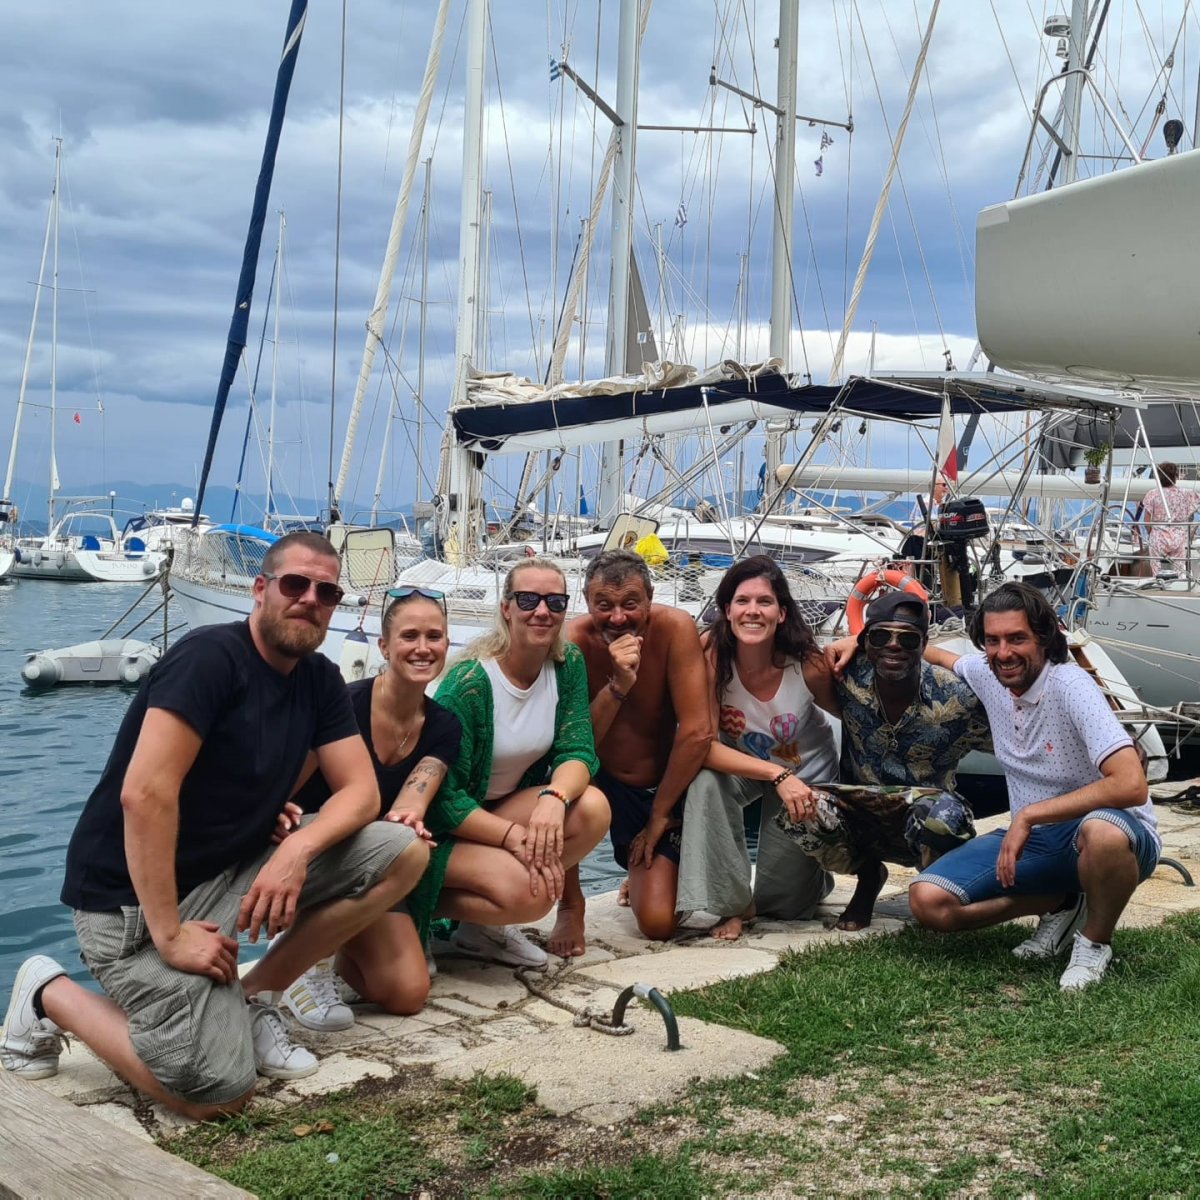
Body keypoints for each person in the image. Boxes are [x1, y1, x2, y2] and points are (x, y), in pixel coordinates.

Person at [0, 532, 430, 1119]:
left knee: (402, 851)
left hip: (229, 871)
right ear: (260, 589)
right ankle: (48, 991)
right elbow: (146, 795)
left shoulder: (319, 679)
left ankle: (254, 996)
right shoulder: (209, 659)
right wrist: (171, 935)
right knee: (216, 1094)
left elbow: (361, 793)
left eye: (326, 591)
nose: (310, 599)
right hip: (130, 907)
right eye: (295, 584)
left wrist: (297, 847)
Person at [907, 581, 1160, 991]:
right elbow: (934, 653)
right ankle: (1059, 902)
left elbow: (1132, 784)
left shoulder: (1071, 685)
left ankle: (1094, 943)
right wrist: (852, 642)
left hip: (1105, 835)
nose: (1003, 652)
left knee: (1103, 833)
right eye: (992, 640)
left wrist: (1029, 815)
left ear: (1044, 638)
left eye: (1017, 638)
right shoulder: (990, 674)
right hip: (1038, 841)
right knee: (928, 903)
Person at [277, 585, 463, 1028]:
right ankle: (302, 964)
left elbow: (409, 803)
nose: (423, 648)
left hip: (367, 862)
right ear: (384, 646)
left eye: (434, 637)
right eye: (409, 636)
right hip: (310, 848)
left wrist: (408, 823)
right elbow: (286, 789)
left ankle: (337, 946)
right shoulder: (344, 705)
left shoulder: (443, 725)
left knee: (406, 994)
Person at [432, 558, 611, 966]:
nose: (543, 611)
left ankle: (477, 931)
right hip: (448, 826)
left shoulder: (567, 665)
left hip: (503, 807)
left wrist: (554, 796)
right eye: (529, 599)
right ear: (506, 607)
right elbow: (442, 799)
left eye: (555, 601)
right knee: (531, 897)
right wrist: (512, 836)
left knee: (593, 808)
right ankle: (419, 908)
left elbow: (578, 750)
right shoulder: (469, 686)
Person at [675, 557, 838, 940]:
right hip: (748, 769)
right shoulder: (713, 658)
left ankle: (816, 879)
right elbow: (705, 745)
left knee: (784, 907)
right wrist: (776, 774)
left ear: (782, 613)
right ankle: (731, 904)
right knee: (705, 783)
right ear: (726, 609)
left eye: (764, 602)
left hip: (807, 778)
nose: (752, 611)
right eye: (742, 600)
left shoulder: (807, 664)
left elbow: (850, 717)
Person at [812, 589, 991, 930]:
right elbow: (798, 659)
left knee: (941, 818)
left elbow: (1015, 744)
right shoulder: (847, 678)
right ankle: (868, 881)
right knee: (804, 809)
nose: (893, 645)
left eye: (908, 640)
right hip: (862, 810)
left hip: (928, 815)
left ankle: (937, 889)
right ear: (866, 642)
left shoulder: (957, 699)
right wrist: (848, 641)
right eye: (881, 636)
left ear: (923, 646)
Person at [565, 550, 712, 947]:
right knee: (561, 779)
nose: (618, 617)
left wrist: (660, 814)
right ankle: (569, 904)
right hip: (613, 788)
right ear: (586, 602)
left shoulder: (673, 629)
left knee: (657, 922)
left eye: (630, 603)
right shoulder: (574, 643)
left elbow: (698, 730)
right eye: (604, 605)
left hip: (669, 785)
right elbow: (575, 743)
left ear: (650, 597)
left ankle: (663, 869)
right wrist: (618, 685)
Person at [1135, 461, 1200, 575]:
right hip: (1179, 535)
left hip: (1158, 537)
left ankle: (1158, 581)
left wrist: (1151, 532)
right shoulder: (1186, 493)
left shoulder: (1152, 494)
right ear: (1175, 476)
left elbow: (1147, 520)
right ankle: (1180, 583)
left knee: (1156, 567)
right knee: (1180, 568)